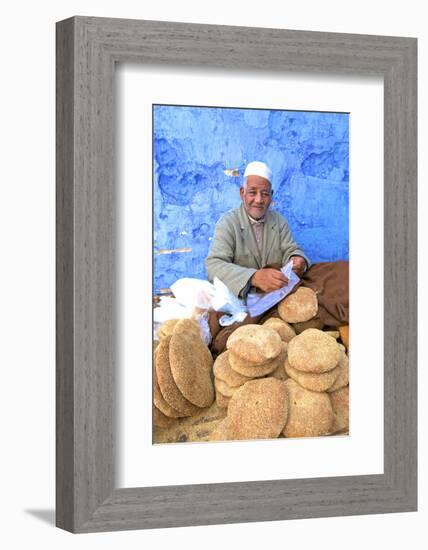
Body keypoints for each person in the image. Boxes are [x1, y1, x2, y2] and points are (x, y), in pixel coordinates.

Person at [206, 161, 310, 299]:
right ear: (242, 193)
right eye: (252, 192)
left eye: (265, 194)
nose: (259, 200)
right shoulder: (228, 223)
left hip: (275, 296)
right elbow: (214, 266)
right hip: (243, 301)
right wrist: (253, 277)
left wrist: (297, 259)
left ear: (271, 195)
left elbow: (290, 249)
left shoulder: (279, 222)